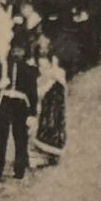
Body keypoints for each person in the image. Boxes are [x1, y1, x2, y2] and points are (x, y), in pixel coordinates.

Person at [0, 36, 38, 185]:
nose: (17, 53)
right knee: (0, 138)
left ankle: (19, 169)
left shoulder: (30, 69)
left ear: (25, 52)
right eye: (15, 49)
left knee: (20, 137)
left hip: (21, 105)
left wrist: (32, 113)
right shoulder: (3, 66)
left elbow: (32, 93)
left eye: (20, 50)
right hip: (5, 103)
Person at [31, 32, 69, 167]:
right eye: (41, 47)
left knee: (53, 122)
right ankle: (41, 152)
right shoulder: (35, 62)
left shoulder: (53, 60)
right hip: (44, 92)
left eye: (46, 47)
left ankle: (52, 152)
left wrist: (56, 77)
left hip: (53, 93)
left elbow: (58, 74)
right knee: (43, 122)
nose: (44, 50)